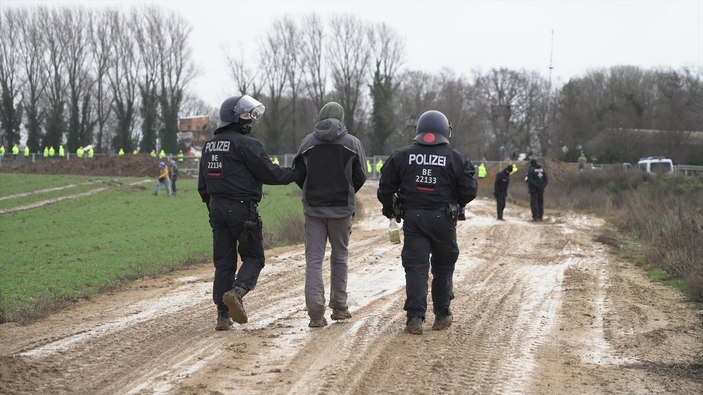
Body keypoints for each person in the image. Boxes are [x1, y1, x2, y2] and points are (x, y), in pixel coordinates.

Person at [198, 94, 300, 331]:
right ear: (233, 118)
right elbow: (270, 174)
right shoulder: (247, 145)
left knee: (224, 263)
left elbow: (203, 183)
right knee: (254, 257)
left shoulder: (209, 145)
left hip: (216, 208)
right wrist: (298, 173)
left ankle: (222, 317)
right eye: (246, 114)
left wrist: (213, 205)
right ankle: (237, 291)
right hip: (242, 209)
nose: (250, 118)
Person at [377, 110, 478, 335]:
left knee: (416, 267)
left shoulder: (402, 156)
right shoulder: (456, 158)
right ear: (445, 131)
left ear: (420, 130)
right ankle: (442, 315)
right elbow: (469, 189)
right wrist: (456, 203)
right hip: (444, 219)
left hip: (414, 219)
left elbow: (385, 187)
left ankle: (415, 318)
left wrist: (389, 209)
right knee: (443, 266)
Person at [293, 102, 367, 328]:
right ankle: (339, 307)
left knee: (313, 260)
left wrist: (310, 191)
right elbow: (361, 175)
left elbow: (298, 173)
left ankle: (315, 313)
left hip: (313, 210)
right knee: (339, 257)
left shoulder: (307, 142)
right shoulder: (352, 143)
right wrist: (347, 192)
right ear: (341, 118)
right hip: (342, 210)